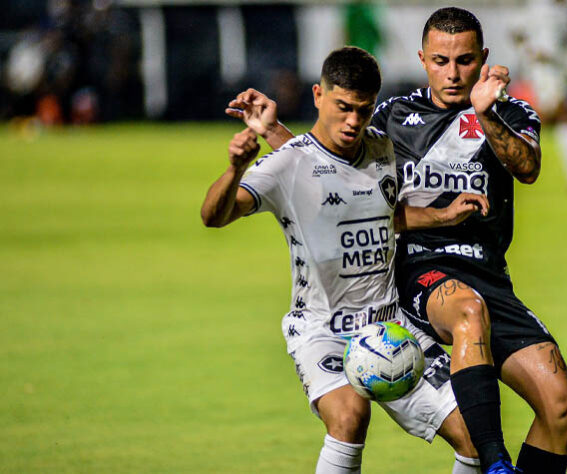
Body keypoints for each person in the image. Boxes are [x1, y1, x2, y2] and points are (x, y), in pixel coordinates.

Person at [229, 9, 567, 474]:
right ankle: (497, 464)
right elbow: (325, 164)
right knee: (466, 311)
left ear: (484, 59)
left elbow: (528, 168)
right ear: (422, 58)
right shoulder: (392, 116)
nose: (452, 73)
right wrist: (274, 132)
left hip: (489, 275)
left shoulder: (509, 111)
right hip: (421, 272)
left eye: (464, 60)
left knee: (561, 405)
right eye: (440, 60)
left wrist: (486, 112)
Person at [203, 46, 486, 474]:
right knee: (350, 417)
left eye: (364, 109)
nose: (353, 121)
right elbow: (214, 216)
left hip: (393, 328)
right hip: (323, 332)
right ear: (318, 95)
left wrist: (443, 214)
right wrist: (235, 169)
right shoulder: (283, 166)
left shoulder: (381, 149)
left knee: (475, 434)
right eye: (343, 107)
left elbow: (379, 209)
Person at [511, 0, 567, 195]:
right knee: (561, 114)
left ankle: (506, 156)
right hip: (542, 69)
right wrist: (529, 53)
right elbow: (516, 33)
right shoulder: (536, 8)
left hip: (560, 68)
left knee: (548, 117)